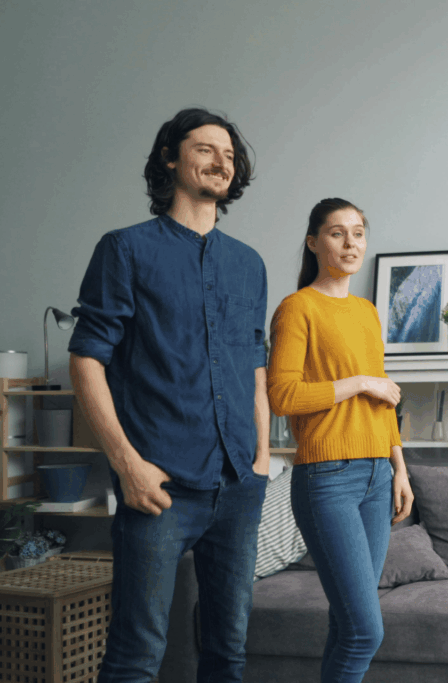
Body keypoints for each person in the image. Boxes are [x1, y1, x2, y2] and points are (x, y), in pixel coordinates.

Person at [68, 107, 269, 682]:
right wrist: (126, 465)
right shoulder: (125, 249)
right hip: (156, 486)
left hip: (237, 486)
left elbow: (253, 363)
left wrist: (259, 460)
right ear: (170, 158)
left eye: (229, 155)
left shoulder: (249, 264)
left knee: (227, 656)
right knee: (136, 657)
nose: (221, 162)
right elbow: (86, 359)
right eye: (205, 149)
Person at [267, 197, 414, 682]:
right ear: (313, 242)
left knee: (347, 622)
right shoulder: (297, 308)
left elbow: (385, 398)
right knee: (365, 631)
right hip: (327, 479)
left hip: (375, 475)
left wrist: (399, 468)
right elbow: (282, 395)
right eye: (337, 233)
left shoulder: (368, 312)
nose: (350, 243)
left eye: (358, 232)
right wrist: (359, 382)